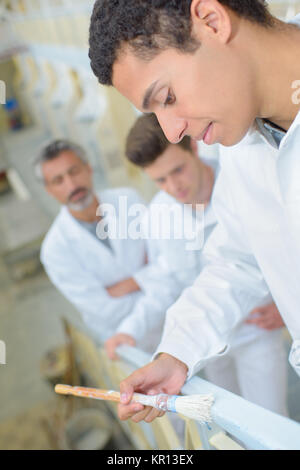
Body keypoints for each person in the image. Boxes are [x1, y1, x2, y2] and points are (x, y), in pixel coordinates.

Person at [88, 0, 300, 423]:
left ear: (211, 21)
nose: (172, 130)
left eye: (167, 97)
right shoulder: (244, 148)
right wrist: (177, 352)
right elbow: (234, 261)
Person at [105, 113, 287, 415]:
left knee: (268, 419)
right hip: (204, 346)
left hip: (257, 331)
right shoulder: (158, 216)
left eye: (178, 170)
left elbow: (284, 251)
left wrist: (289, 306)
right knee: (218, 424)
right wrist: (129, 329)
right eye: (160, 180)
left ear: (194, 146)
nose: (174, 186)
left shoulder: (241, 185)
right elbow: (165, 281)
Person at [36, 139, 177, 349]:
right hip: (126, 340)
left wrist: (131, 284)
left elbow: (169, 259)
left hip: (173, 316)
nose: (72, 185)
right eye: (58, 180)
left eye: (74, 171)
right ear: (49, 190)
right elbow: (102, 309)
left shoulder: (128, 200)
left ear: (89, 168)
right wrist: (151, 279)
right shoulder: (55, 250)